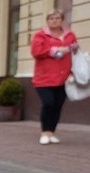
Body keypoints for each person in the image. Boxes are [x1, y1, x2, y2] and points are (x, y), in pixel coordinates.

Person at [31, 8, 78, 145]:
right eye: (51, 18)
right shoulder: (41, 35)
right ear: (47, 21)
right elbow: (36, 52)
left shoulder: (69, 35)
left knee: (58, 106)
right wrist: (55, 50)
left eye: (57, 18)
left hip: (64, 78)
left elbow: (74, 52)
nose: (54, 20)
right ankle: (44, 132)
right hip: (43, 78)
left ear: (62, 20)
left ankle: (51, 132)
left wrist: (75, 48)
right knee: (48, 103)